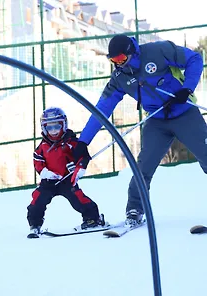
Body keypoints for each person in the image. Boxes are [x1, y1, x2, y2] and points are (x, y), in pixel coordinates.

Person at [72, 34, 206, 226]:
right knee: (143, 167)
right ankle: (135, 209)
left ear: (131, 52)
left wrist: (187, 88)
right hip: (157, 120)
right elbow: (102, 109)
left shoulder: (158, 51)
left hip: (184, 112)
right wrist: (83, 141)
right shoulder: (119, 78)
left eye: (121, 59)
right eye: (113, 60)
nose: (118, 65)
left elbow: (194, 59)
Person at [27, 107, 105, 237]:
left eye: (57, 127)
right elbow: (38, 161)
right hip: (49, 182)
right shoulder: (42, 147)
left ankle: (93, 218)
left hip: (67, 180)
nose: (53, 131)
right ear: (44, 128)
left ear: (63, 125)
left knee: (78, 198)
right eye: (49, 128)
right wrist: (45, 173)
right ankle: (34, 224)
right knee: (37, 199)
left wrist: (79, 168)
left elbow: (83, 156)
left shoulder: (72, 143)